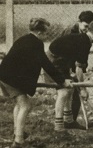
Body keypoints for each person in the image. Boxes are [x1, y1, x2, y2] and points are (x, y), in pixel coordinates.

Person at [0, 18, 71, 148]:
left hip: (5, 75)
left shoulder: (24, 39)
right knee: (26, 106)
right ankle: (18, 141)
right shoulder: (36, 43)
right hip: (12, 78)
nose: (47, 36)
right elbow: (46, 63)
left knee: (20, 104)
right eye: (45, 33)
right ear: (39, 33)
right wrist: (62, 81)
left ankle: (17, 132)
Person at [47, 20, 93, 132]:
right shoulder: (84, 43)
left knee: (70, 89)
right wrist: (83, 89)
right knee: (63, 91)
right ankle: (58, 126)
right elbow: (79, 69)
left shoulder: (83, 39)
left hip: (61, 61)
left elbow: (73, 59)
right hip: (53, 61)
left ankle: (69, 121)